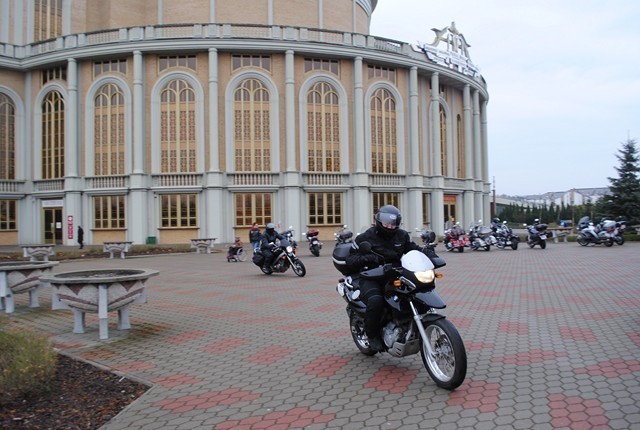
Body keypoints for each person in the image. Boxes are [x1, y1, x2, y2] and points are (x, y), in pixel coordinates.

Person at [345, 205, 442, 352]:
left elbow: (413, 249)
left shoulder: (402, 235)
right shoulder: (365, 237)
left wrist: (430, 255)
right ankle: (373, 336)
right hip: (371, 276)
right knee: (376, 301)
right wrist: (368, 258)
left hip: (396, 274)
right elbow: (350, 260)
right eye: (386, 223)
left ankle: (406, 325)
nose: (390, 226)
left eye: (393, 223)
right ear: (378, 221)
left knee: (415, 293)